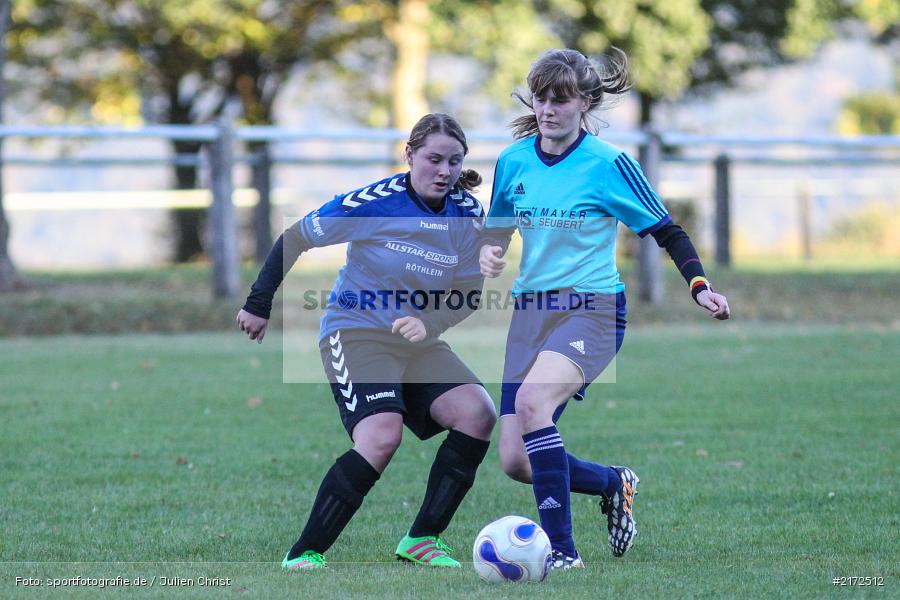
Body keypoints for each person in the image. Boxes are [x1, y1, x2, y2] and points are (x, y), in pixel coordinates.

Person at [479, 49, 730, 570]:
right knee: (515, 460)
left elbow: (667, 229)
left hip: (591, 309)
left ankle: (562, 556)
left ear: (586, 102)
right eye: (541, 97)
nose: (548, 108)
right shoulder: (513, 160)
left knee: (531, 405)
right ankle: (614, 483)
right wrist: (489, 249)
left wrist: (698, 285)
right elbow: (498, 226)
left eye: (561, 99)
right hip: (530, 312)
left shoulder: (609, 164)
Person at [237, 113, 496, 570]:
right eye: (434, 159)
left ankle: (422, 541)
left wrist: (430, 323)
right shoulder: (375, 201)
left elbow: (469, 294)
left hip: (415, 338)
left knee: (477, 412)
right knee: (381, 436)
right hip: (355, 332)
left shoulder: (467, 213)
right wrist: (259, 303)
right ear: (410, 155)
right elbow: (296, 236)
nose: (444, 171)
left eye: (454, 162)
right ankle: (304, 553)